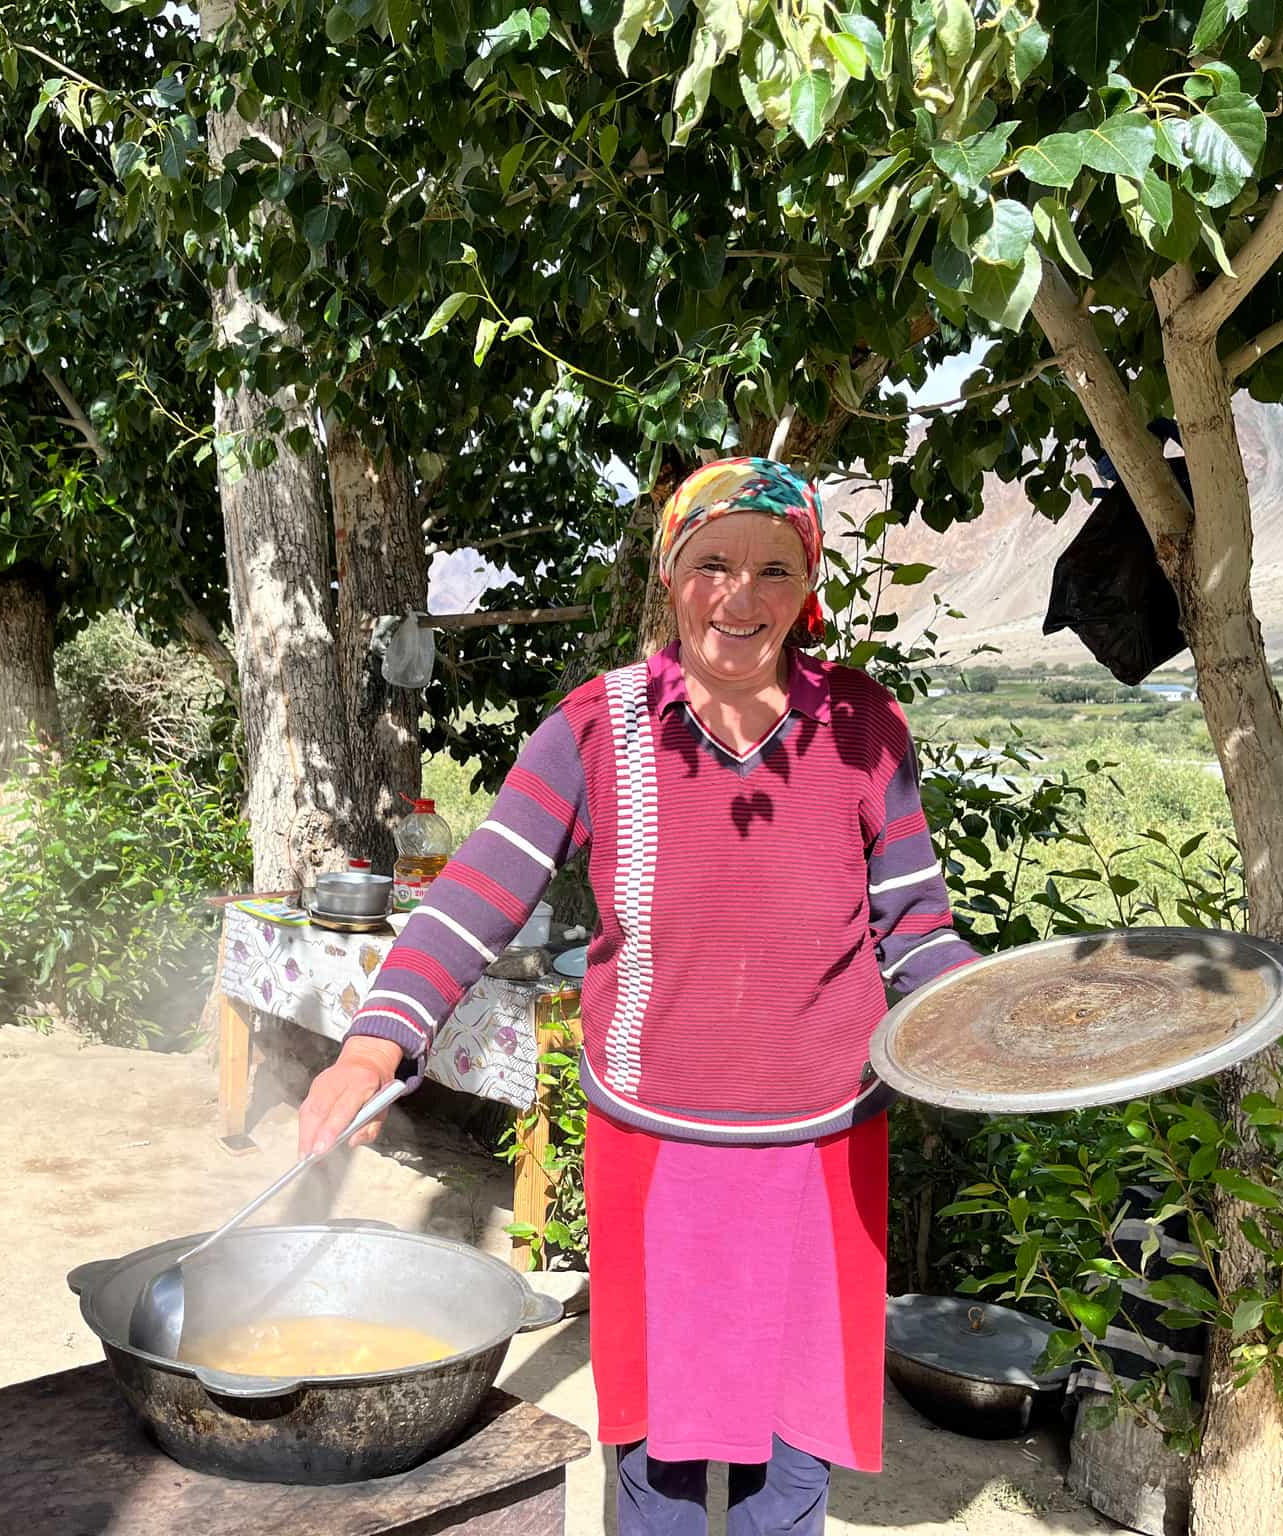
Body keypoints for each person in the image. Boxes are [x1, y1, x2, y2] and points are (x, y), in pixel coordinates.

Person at [299, 457, 980, 1535]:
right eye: (712, 564)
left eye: (773, 569)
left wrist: (997, 1031)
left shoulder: (862, 727)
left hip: (819, 1146)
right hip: (657, 1148)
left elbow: (915, 928)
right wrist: (370, 1048)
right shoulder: (597, 730)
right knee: (657, 1462)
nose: (740, 598)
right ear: (670, 574)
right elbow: (472, 896)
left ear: (809, 586)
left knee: (789, 1467)